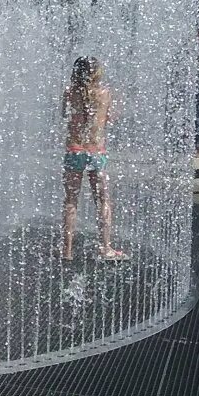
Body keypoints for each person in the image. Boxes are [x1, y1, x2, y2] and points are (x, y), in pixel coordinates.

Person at [61, 56, 126, 261]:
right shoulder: (105, 93)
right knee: (103, 200)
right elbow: (112, 117)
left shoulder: (69, 93)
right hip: (96, 152)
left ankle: (67, 251)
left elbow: (64, 114)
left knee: (71, 201)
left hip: (74, 150)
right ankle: (105, 247)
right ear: (97, 72)